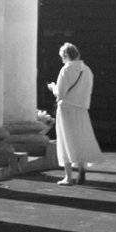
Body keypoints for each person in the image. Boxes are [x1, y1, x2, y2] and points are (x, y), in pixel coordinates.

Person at [47, 42, 100, 186]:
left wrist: (52, 87)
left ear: (65, 56)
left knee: (65, 141)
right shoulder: (87, 70)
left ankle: (68, 177)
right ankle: (82, 169)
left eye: (62, 57)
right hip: (81, 109)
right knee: (80, 139)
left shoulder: (66, 69)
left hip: (66, 109)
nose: (61, 60)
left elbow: (60, 93)